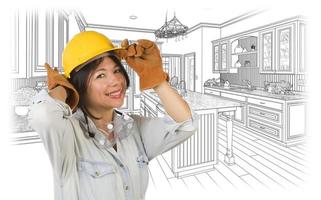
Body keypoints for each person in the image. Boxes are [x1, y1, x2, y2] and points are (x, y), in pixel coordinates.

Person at [28, 31, 198, 200]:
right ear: (77, 85)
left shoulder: (134, 128)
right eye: (100, 75)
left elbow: (185, 124)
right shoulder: (67, 134)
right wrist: (62, 88)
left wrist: (156, 77)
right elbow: (42, 116)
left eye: (117, 70)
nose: (116, 81)